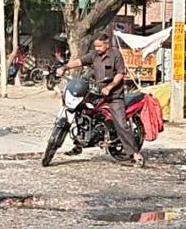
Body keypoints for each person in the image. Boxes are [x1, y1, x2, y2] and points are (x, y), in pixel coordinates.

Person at [58, 34, 143, 167]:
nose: (97, 48)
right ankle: (79, 143)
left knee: (121, 123)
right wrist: (65, 67)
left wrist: (109, 87)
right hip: (97, 94)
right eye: (96, 46)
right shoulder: (94, 55)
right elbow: (79, 61)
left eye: (99, 46)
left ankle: (134, 154)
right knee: (81, 110)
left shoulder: (116, 55)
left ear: (107, 44)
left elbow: (120, 74)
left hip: (114, 96)